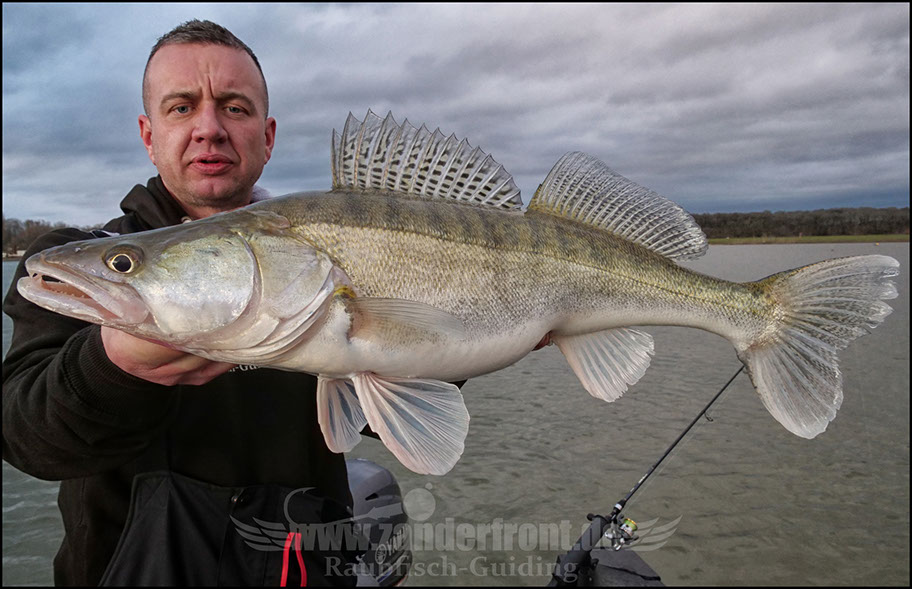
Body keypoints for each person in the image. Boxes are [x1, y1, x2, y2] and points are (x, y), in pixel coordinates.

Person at [2, 20, 359, 586]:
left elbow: (387, 411)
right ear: (149, 135)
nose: (209, 129)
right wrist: (112, 368)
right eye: (182, 107)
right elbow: (27, 438)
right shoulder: (76, 264)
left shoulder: (338, 245)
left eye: (235, 108)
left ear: (268, 137)